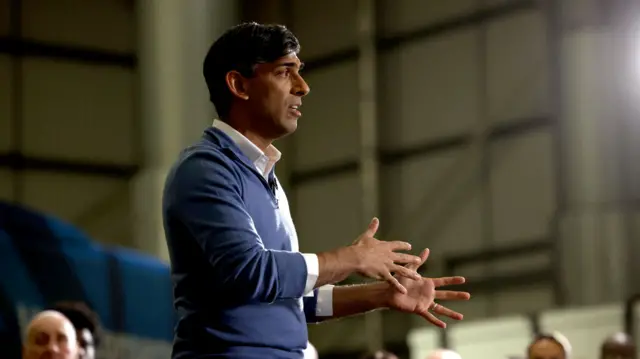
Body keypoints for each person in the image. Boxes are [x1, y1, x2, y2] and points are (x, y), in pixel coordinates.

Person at [162, 22, 471, 359]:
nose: (303, 87)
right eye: (285, 72)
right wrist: (353, 258)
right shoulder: (206, 169)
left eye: (300, 72)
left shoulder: (264, 176)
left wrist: (382, 295)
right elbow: (252, 272)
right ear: (239, 84)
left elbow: (290, 295)